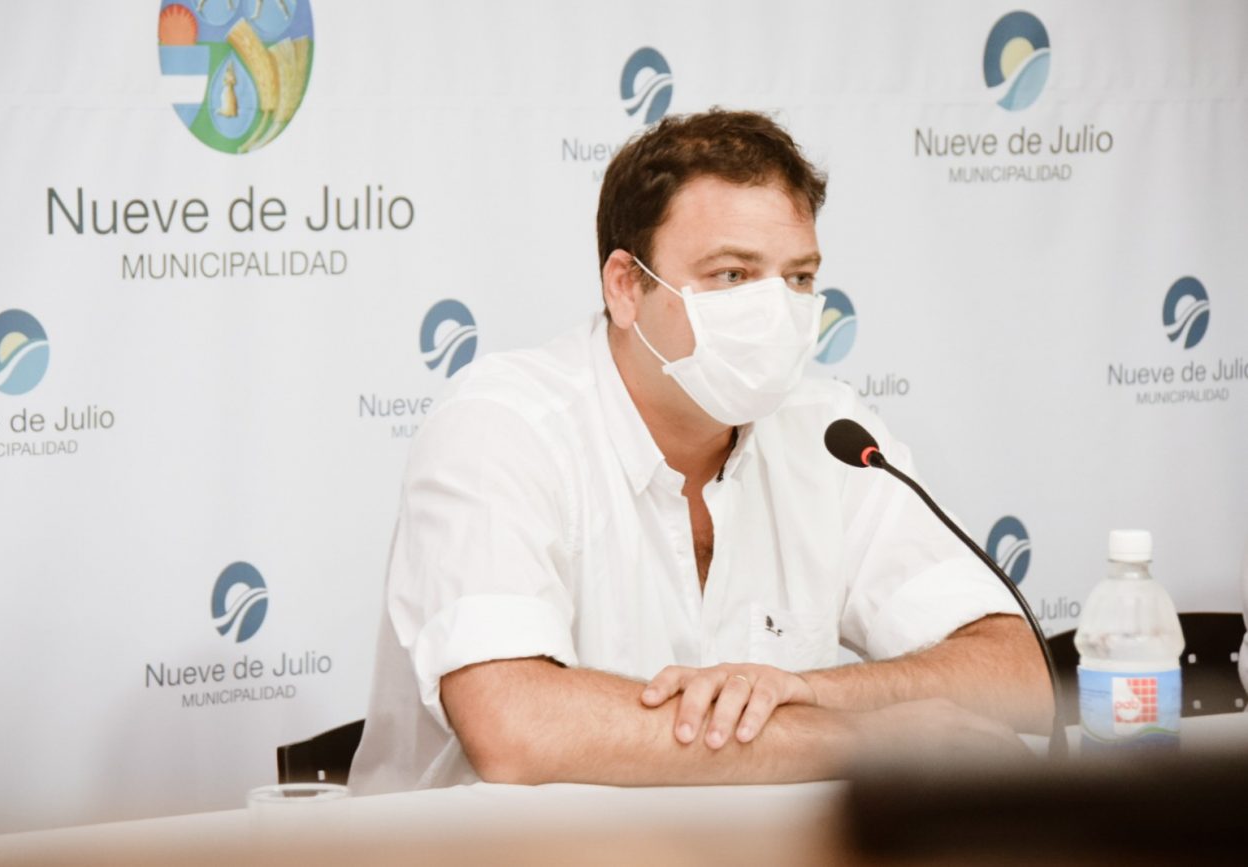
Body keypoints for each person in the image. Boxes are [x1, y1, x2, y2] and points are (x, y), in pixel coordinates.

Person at [349, 109, 1052, 793]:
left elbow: (1020, 675)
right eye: (733, 275)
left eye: (799, 278)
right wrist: (865, 737)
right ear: (626, 287)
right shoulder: (501, 427)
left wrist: (802, 691)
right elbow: (513, 723)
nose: (775, 312)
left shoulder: (830, 431)